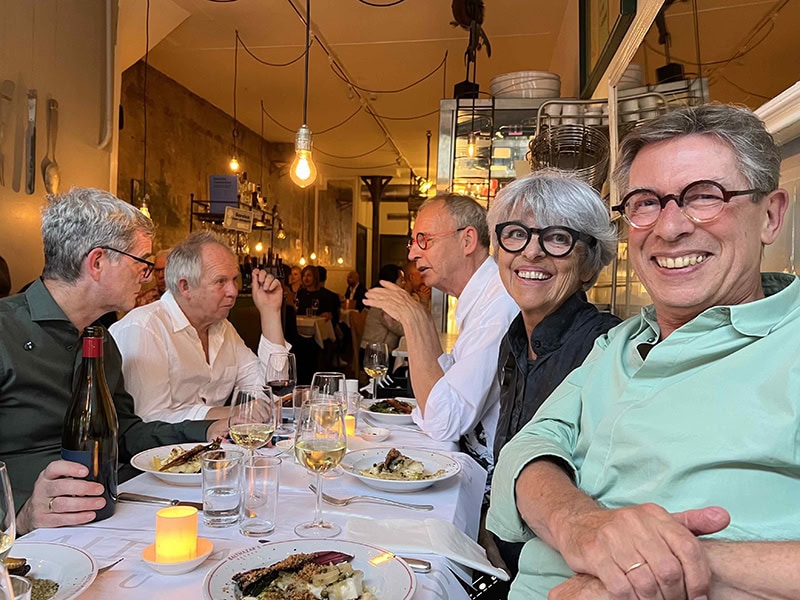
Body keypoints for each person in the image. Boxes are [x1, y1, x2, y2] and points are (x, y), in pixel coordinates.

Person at [487, 104, 798, 599]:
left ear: (771, 215)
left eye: (704, 196)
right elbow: (526, 453)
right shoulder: (619, 343)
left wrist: (661, 566)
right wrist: (580, 525)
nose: (669, 228)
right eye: (645, 202)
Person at [0, 188, 228, 535]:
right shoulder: (4, 332)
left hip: (109, 522)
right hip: (25, 544)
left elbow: (125, 433)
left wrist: (204, 432)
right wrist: (21, 514)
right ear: (97, 263)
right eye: (142, 262)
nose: (148, 276)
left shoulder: (101, 341)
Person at [484, 170, 621, 577]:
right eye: (516, 234)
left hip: (563, 571)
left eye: (557, 238)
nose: (531, 253)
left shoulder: (607, 347)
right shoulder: (511, 339)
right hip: (503, 555)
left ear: (587, 264)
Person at [365, 193, 518, 469]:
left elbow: (443, 422)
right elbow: (446, 385)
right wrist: (420, 319)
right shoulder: (481, 297)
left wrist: (412, 321)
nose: (412, 254)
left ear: (467, 240)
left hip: (490, 483)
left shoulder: (498, 305)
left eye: (425, 240)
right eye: (413, 243)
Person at [109, 232, 288, 422]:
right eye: (220, 281)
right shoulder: (144, 328)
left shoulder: (222, 328)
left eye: (234, 279)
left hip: (209, 449)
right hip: (158, 451)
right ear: (185, 287)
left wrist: (270, 313)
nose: (233, 291)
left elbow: (271, 392)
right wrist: (232, 413)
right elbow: (149, 419)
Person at [360, 264, 406, 359]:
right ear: (391, 283)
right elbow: (400, 329)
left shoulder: (389, 300)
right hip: (374, 353)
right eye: (401, 280)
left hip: (381, 351)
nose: (404, 283)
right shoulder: (382, 303)